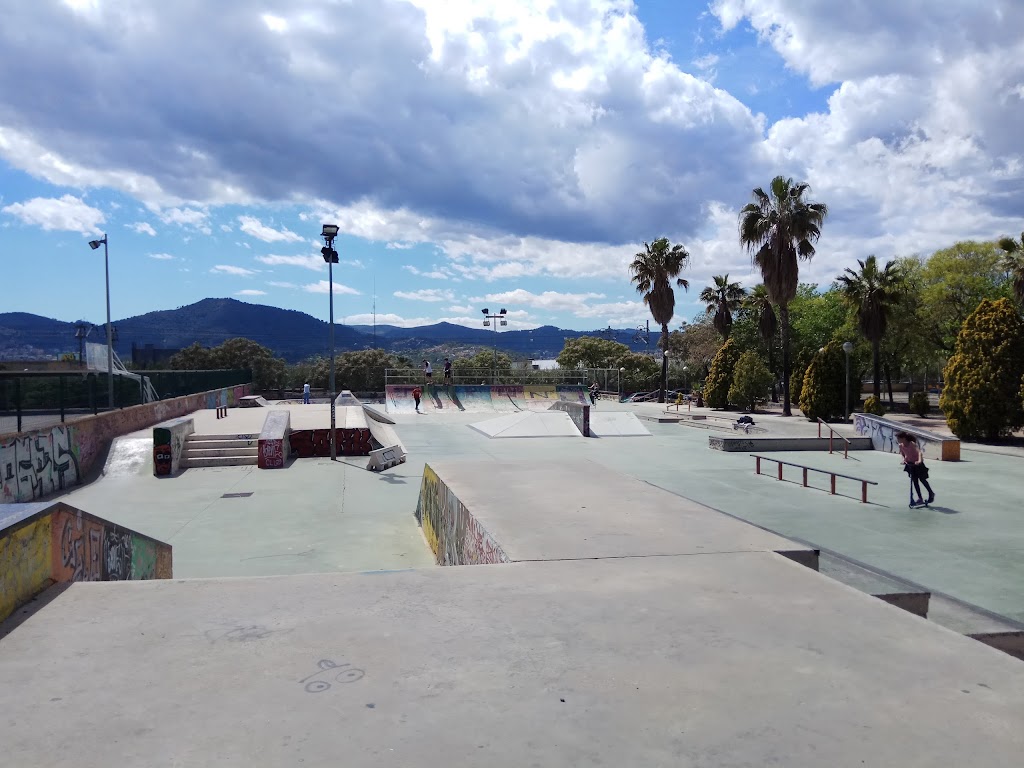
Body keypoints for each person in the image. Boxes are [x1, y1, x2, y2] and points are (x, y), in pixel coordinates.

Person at [896, 431, 935, 507]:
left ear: (903, 438)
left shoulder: (911, 444)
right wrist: (904, 460)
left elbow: (919, 452)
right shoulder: (900, 445)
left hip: (918, 464)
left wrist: (919, 460)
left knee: (922, 479)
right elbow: (903, 454)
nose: (898, 440)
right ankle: (920, 498)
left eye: (899, 439)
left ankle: (931, 493)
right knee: (915, 481)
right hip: (910, 464)